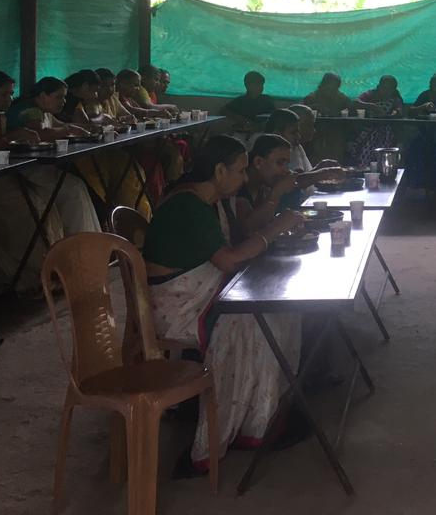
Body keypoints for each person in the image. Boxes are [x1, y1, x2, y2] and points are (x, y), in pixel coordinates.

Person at [143, 135, 307, 474]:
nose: (245, 179)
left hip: (197, 288)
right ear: (219, 170)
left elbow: (234, 240)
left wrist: (269, 230)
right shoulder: (187, 205)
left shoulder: (208, 200)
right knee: (254, 321)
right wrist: (275, 229)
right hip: (178, 305)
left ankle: (268, 410)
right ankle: (245, 426)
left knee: (281, 307)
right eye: (240, 170)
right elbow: (230, 260)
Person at [0, 77, 101, 294]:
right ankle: (78, 259)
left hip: (36, 166)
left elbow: (64, 126)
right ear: (42, 96)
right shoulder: (28, 111)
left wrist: (81, 128)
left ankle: (85, 255)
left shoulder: (42, 111)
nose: (62, 102)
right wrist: (67, 131)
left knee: (74, 187)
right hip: (25, 168)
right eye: (58, 97)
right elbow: (41, 133)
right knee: (71, 190)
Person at [60, 69, 148, 215]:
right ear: (85, 87)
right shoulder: (75, 104)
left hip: (95, 153)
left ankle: (132, 215)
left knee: (131, 170)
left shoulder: (100, 101)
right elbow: (89, 125)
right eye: (96, 90)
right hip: (78, 157)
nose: (97, 94)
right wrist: (105, 122)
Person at [401, 72, 436, 197]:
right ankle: (415, 185)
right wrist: (422, 106)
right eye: (435, 84)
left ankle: (432, 188)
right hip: (423, 133)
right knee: (413, 153)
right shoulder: (425, 95)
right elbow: (411, 112)